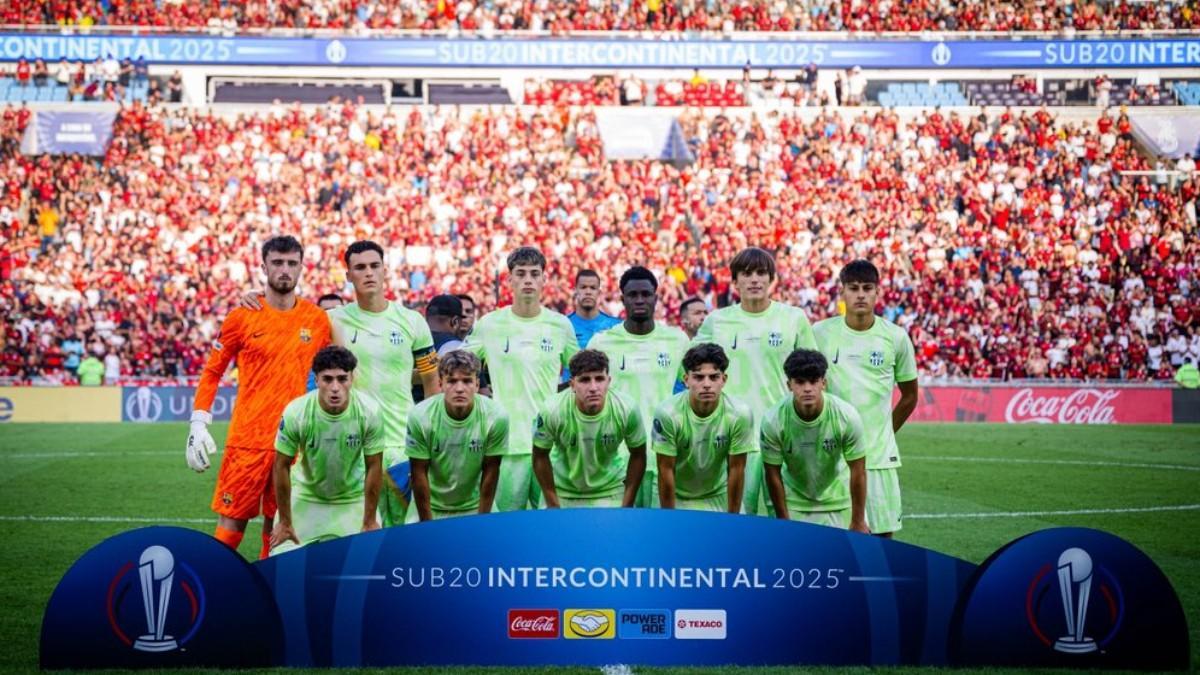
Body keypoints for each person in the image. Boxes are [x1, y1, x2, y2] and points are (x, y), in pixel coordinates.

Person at [186, 236, 332, 559]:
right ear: (263, 266)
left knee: (279, 527)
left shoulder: (317, 320)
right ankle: (215, 593)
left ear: (301, 268)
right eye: (277, 262)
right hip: (247, 439)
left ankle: (269, 596)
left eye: (291, 263)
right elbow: (212, 372)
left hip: (294, 440)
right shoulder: (242, 316)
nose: (284, 269)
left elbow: (333, 373)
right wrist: (198, 422)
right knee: (231, 527)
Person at [695, 247, 817, 516]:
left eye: (761, 273)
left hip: (785, 431)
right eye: (746, 273)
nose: (754, 279)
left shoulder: (794, 318)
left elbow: (814, 373)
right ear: (735, 281)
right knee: (737, 515)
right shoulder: (717, 321)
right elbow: (692, 367)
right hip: (734, 434)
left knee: (789, 517)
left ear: (771, 278)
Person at [328, 241, 438, 527]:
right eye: (360, 268)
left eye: (374, 266)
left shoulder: (412, 321)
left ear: (384, 270)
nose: (368, 273)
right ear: (349, 275)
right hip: (353, 444)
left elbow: (431, 385)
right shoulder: (331, 321)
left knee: (408, 529)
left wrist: (430, 437)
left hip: (403, 444)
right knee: (359, 530)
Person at [464, 246, 579, 511]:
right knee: (508, 529)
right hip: (506, 445)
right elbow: (458, 368)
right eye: (521, 273)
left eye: (534, 273)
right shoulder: (489, 324)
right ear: (509, 280)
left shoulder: (560, 325)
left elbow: (582, 374)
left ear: (544, 280)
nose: (528, 279)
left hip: (551, 444)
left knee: (552, 525)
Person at [813, 260, 918, 538]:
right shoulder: (819, 333)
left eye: (867, 288)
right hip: (831, 458)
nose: (860, 294)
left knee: (883, 540)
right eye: (853, 288)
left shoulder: (895, 337)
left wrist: (886, 432)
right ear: (843, 293)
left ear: (877, 293)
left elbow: (910, 396)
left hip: (878, 458)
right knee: (832, 544)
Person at [589, 266, 689, 507]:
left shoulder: (677, 340)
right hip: (617, 459)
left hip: (662, 456)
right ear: (623, 299)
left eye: (646, 294)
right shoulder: (602, 342)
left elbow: (694, 389)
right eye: (633, 295)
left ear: (656, 297)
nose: (640, 300)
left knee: (659, 532)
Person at [270, 346, 383, 554]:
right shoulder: (296, 412)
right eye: (327, 379)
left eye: (342, 379)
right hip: (306, 497)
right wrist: (285, 522)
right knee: (281, 565)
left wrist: (369, 521)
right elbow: (281, 466)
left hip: (352, 499)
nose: (335, 387)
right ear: (316, 379)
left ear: (352, 378)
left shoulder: (370, 411)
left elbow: (374, 466)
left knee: (370, 569)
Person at [762, 349, 869, 532]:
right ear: (789, 385)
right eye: (800, 382)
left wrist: (858, 521)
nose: (807, 388)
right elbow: (772, 474)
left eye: (813, 381)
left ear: (823, 383)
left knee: (844, 560)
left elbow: (858, 471)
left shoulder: (847, 416)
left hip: (839, 499)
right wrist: (783, 521)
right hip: (794, 500)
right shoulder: (773, 420)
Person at [532, 349, 646, 508]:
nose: (593, 387)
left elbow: (639, 455)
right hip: (561, 491)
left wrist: (626, 505)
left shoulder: (627, 408)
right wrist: (553, 504)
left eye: (599, 379)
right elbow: (539, 456)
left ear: (609, 381)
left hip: (610, 490)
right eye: (585, 380)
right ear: (572, 384)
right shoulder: (552, 410)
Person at [406, 350, 508, 522]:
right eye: (452, 381)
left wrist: (481, 520)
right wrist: (427, 524)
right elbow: (418, 473)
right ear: (440, 384)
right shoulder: (420, 416)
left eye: (467, 381)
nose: (459, 388)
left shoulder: (496, 416)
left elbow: (491, 470)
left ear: (477, 385)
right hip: (430, 506)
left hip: (475, 505)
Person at [653, 343, 755, 513]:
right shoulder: (667, 413)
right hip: (677, 495)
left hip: (718, 494)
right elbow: (665, 470)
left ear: (724, 379)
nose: (707, 384)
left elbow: (736, 469)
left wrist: (733, 518)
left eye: (714, 377)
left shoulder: (740, 414)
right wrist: (669, 518)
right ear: (686, 380)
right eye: (699, 377)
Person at [567, 269, 621, 349]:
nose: (588, 292)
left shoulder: (615, 326)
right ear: (576, 291)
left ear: (599, 293)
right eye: (583, 287)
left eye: (593, 288)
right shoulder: (564, 325)